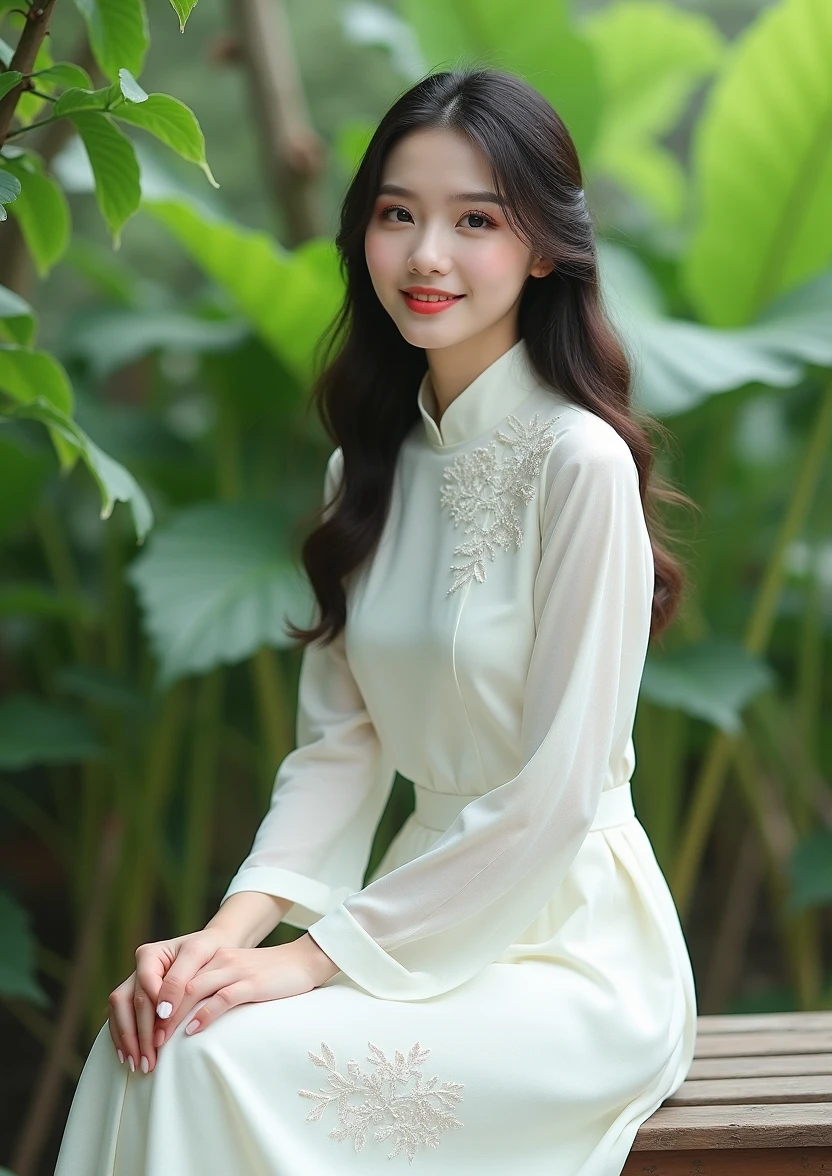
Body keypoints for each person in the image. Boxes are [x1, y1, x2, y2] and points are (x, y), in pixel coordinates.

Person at [54, 67, 697, 1176]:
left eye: (475, 220)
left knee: (208, 1061)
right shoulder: (368, 464)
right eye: (397, 215)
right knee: (154, 1038)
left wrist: (316, 961)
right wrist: (223, 941)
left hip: (567, 950)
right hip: (406, 920)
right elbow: (339, 752)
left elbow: (557, 793)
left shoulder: (577, 463)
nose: (426, 256)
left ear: (543, 247)